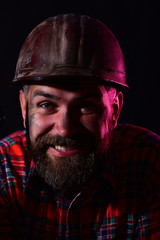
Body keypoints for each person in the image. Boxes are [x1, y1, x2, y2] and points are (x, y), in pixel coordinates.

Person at [0, 13, 160, 240]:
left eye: (85, 106)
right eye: (46, 105)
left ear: (114, 110)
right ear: (24, 109)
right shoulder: (4, 171)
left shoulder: (151, 164)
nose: (65, 129)